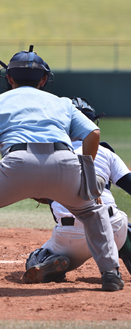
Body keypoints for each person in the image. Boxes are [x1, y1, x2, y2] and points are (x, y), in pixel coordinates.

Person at [0, 45, 124, 293]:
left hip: (16, 161)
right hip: (64, 163)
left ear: (9, 78)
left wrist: (1, 173)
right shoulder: (62, 102)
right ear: (44, 79)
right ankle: (110, 274)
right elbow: (93, 133)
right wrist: (87, 178)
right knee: (93, 210)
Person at [22, 97, 131, 284]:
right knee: (122, 227)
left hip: (69, 239)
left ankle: (47, 262)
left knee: (35, 257)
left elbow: (33, 190)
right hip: (110, 226)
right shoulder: (106, 152)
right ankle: (116, 264)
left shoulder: (45, 153)